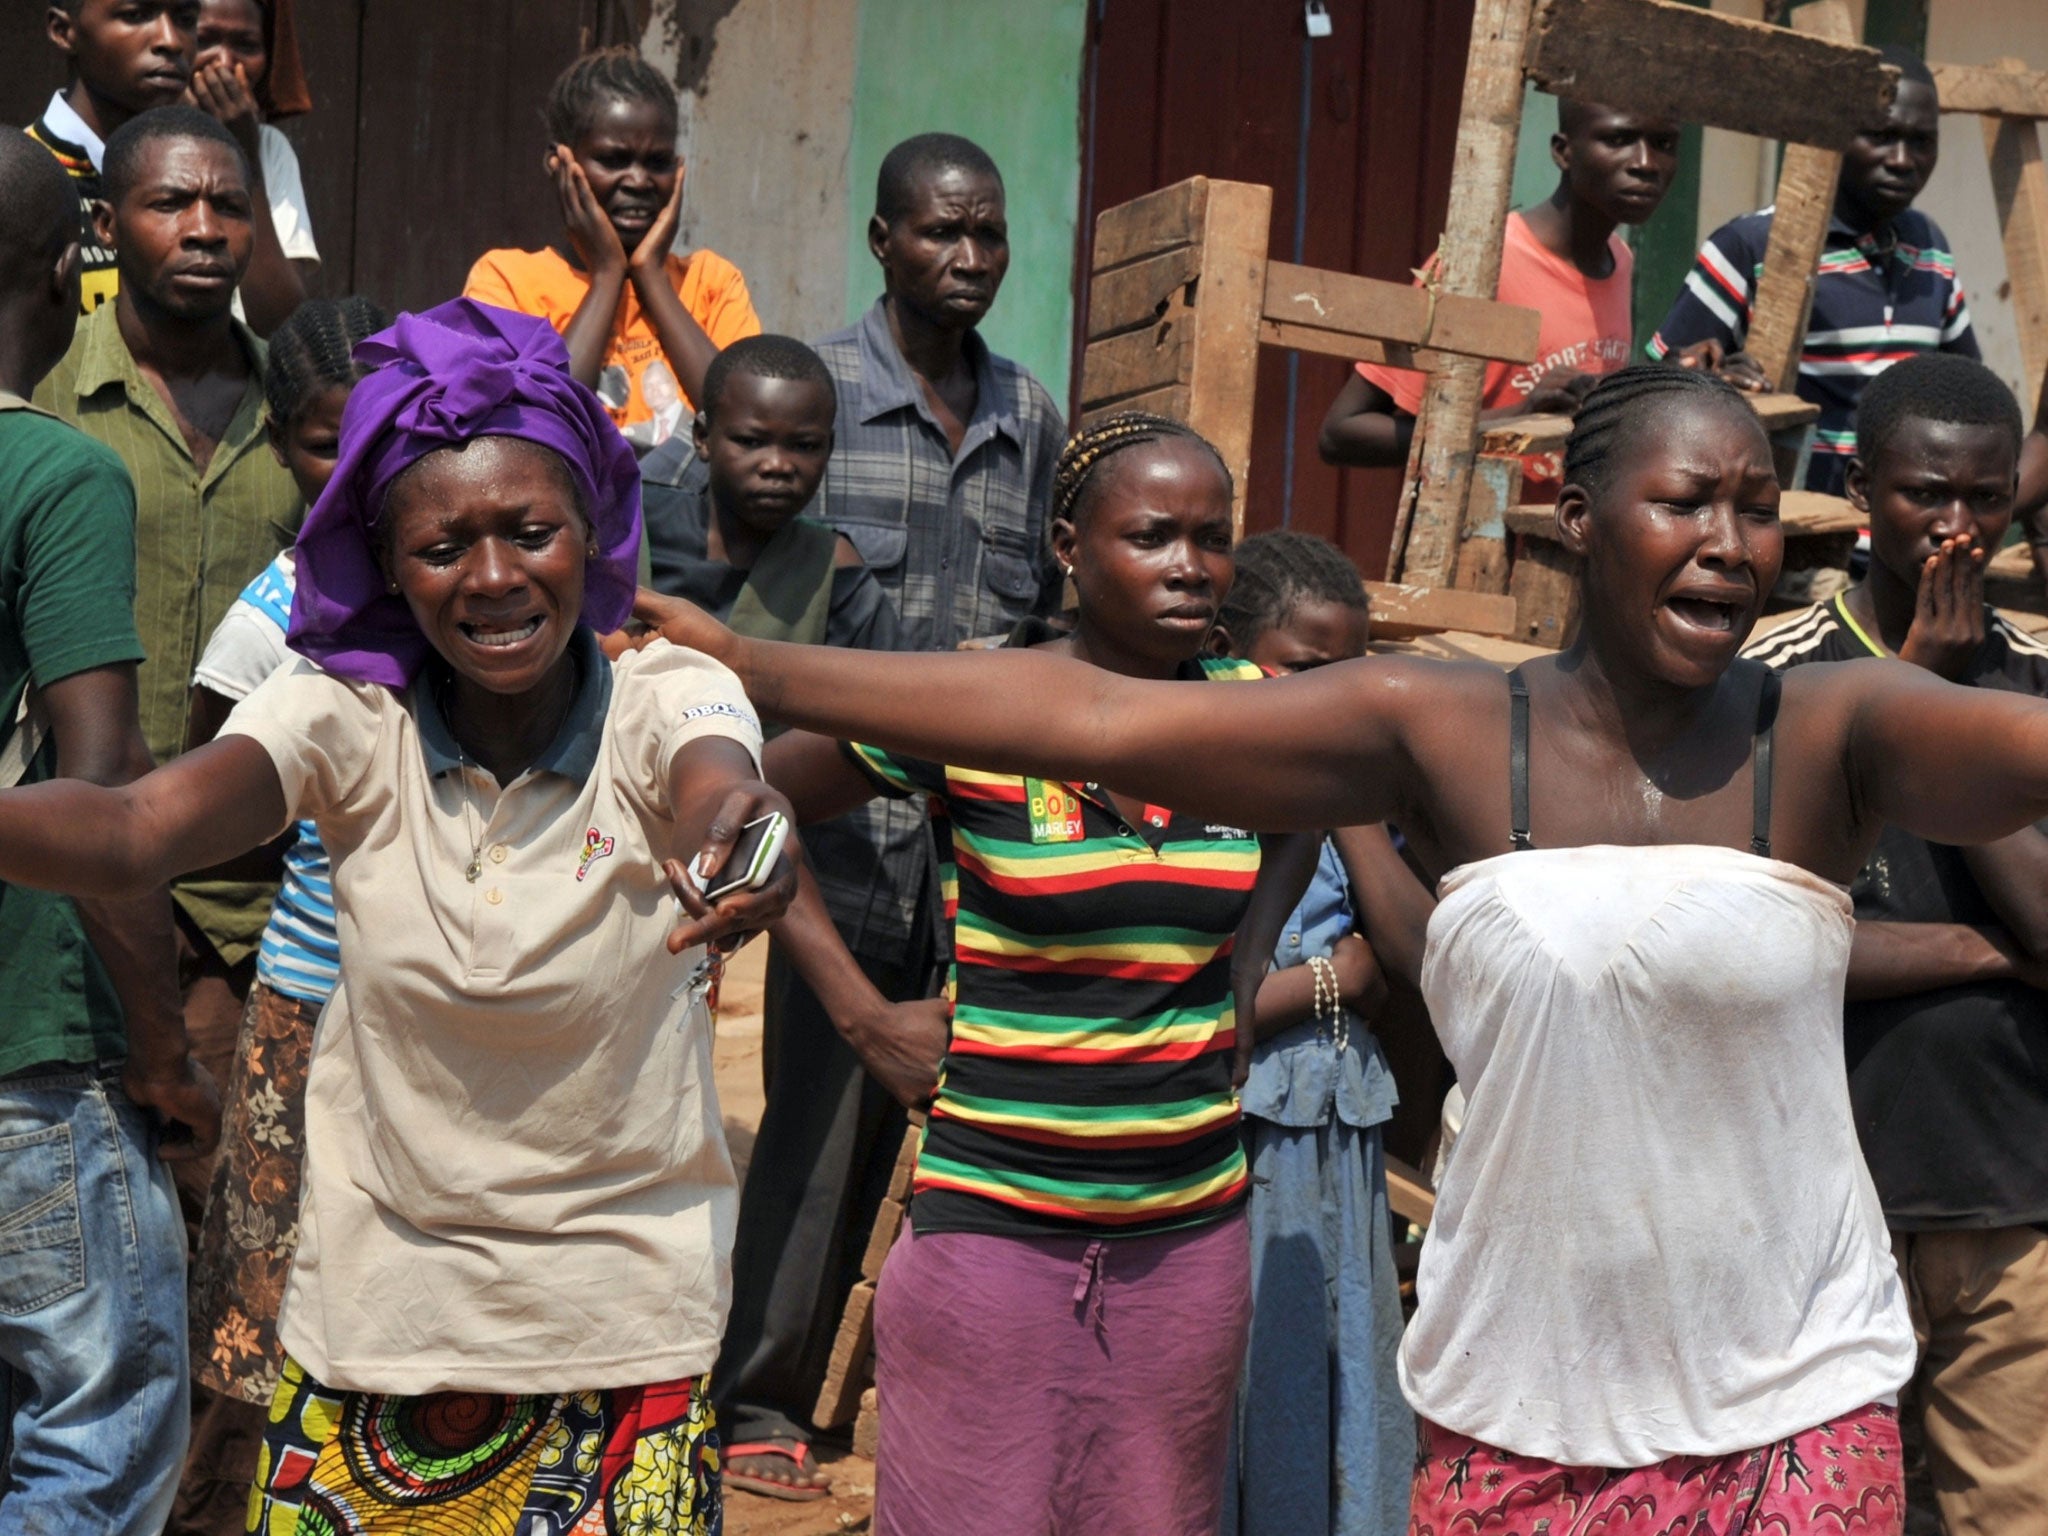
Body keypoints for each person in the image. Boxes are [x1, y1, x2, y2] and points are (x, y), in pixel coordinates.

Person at [637, 363, 2048, 1529]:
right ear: (1575, 510)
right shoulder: (1438, 727)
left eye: (1754, 510)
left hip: (1796, 1404)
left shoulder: (1831, 729)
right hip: (1519, 1412)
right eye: (1684, 502)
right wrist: (757, 667)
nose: (1729, 545)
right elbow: (1096, 721)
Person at [0, 296, 797, 1528]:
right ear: (384, 567)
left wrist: (746, 837)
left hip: (620, 1327)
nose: (491, 579)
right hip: (376, 1328)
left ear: (589, 529)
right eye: (440, 549)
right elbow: (134, 828)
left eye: (529, 532)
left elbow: (717, 785)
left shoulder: (663, 693)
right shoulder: (340, 721)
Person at [644, 411, 1297, 1534]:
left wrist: (1248, 958)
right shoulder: (973, 706)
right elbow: (762, 806)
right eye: (1151, 536)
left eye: (1212, 537)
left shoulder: (1257, 709)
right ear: (1065, 547)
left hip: (1188, 1238)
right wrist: (858, 1017)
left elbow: (1324, 812)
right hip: (990, 1231)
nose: (1190, 566)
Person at [712, 130, 1069, 1499]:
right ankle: (763, 1397)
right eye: (940, 234)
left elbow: (1035, 622)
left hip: (973, 838)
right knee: (810, 1120)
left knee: (962, 1118)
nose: (968, 258)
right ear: (882, 240)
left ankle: (903, 1385)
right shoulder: (810, 398)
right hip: (833, 828)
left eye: (988, 236)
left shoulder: (1031, 416)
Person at [1744, 353, 2048, 1535]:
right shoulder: (1768, 684)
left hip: (2013, 1196)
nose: (1957, 530)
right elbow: (1765, 936)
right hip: (1817, 1203)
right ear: (1861, 486)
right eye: (1927, 495)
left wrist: (1956, 704)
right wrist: (1979, 953)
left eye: (1985, 499)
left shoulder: (2029, 682)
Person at [0, 125, 218, 1534]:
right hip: (30, 1061)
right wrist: (161, 1051)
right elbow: (109, 792)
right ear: (82, 260)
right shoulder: (57, 475)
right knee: (94, 1438)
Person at [33, 104, 298, 1238]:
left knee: (241, 1232)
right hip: (67, 895)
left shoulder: (309, 414)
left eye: (228, 206)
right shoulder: (45, 402)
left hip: (254, 903)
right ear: (107, 224)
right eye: (170, 203)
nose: (203, 229)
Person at [166, 295, 386, 1536]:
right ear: (280, 442)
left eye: (377, 434)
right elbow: (207, 810)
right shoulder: (276, 610)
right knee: (252, 1320)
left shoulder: (462, 572)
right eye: (321, 443)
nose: (352, 467)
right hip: (303, 1010)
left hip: (442, 1019)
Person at [1206, 532, 1422, 1536]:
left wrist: (1348, 808)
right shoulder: (1203, 785)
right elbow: (1196, 1000)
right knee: (1241, 1373)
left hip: (1334, 1127)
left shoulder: (1359, 802)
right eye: (1301, 671)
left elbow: (1405, 949)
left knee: (1338, 1359)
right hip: (1227, 1127)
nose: (1328, 700)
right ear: (1229, 651)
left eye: (1350, 676)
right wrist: (1333, 979)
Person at [1649, 46, 1976, 501]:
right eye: (1880, 135)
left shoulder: (1930, 247)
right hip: (1797, 543)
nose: (1902, 159)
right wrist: (1705, 378)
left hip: (1904, 547)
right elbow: (1655, 385)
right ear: (1836, 136)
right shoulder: (1752, 244)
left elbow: (1970, 391)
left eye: (1921, 141)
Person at [1319, 100, 1678, 500]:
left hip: (1563, 544)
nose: (1646, 163)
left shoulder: (1619, 260)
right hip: (1475, 547)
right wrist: (1516, 419)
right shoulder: (1482, 266)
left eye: (1664, 143)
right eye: (1618, 139)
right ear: (1563, 152)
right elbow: (1341, 433)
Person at [464, 46, 761, 451]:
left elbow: (747, 426)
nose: (638, 181)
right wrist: (606, 275)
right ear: (559, 163)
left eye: (657, 162)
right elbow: (537, 431)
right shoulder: (507, 282)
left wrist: (652, 278)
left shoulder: (710, 283)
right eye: (613, 159)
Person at [640, 332, 899, 656]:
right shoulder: (635, 527)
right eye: (751, 441)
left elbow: (884, 689)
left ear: (828, 449)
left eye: (804, 446)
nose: (777, 465)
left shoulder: (829, 568)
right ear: (703, 438)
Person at [30, 0, 198, 313]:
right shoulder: (18, 182)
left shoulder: (205, 180)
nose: (170, 40)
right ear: (63, 31)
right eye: (135, 15)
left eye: (186, 19)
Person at [184, 0, 319, 336]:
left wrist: (245, 156)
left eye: (246, 46)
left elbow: (282, 321)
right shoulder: (130, 140)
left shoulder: (268, 149)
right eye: (205, 40)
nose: (225, 63)